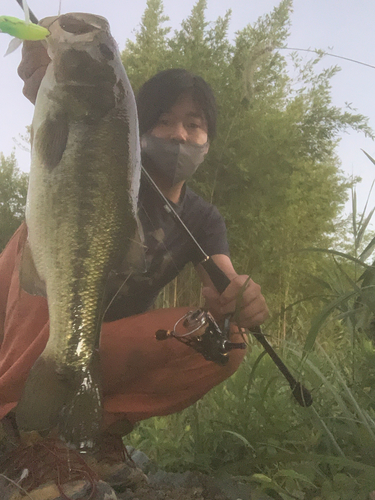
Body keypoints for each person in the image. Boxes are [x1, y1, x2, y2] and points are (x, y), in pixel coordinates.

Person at [0, 37, 268, 495]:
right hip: (29, 323)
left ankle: (91, 434)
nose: (180, 135)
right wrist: (45, 77)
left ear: (209, 139)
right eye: (163, 121)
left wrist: (240, 294)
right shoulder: (104, 156)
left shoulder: (203, 217)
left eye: (194, 124)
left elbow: (223, 276)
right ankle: (13, 430)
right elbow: (60, 112)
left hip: (98, 340)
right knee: (53, 249)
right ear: (136, 127)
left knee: (227, 342)